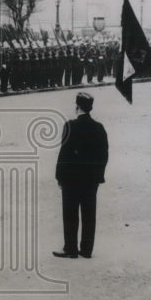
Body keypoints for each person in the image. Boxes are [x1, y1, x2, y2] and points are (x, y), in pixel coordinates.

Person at [53, 91, 109, 258]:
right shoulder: (99, 128)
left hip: (71, 179)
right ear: (90, 108)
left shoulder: (70, 125)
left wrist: (59, 176)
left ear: (77, 107)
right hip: (91, 179)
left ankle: (70, 249)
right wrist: (99, 176)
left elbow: (64, 154)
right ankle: (86, 250)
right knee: (89, 213)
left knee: (70, 213)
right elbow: (104, 155)